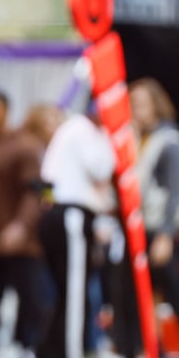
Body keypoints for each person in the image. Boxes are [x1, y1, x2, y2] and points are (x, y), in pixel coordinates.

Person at [0, 92, 54, 358]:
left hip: (18, 242)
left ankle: (36, 348)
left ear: (4, 110)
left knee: (33, 301)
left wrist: (21, 226)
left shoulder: (23, 145)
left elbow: (37, 191)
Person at [36, 103, 116, 358]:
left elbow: (46, 182)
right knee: (75, 294)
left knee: (64, 292)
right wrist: (111, 137)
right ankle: (72, 352)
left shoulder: (68, 131)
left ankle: (50, 350)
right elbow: (101, 168)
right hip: (71, 214)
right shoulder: (84, 129)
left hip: (57, 214)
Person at [107, 77, 179, 356]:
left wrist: (164, 234)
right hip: (134, 229)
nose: (134, 109)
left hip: (157, 229)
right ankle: (140, 348)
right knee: (131, 294)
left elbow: (174, 191)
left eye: (139, 103)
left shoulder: (168, 140)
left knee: (170, 291)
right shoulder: (137, 138)